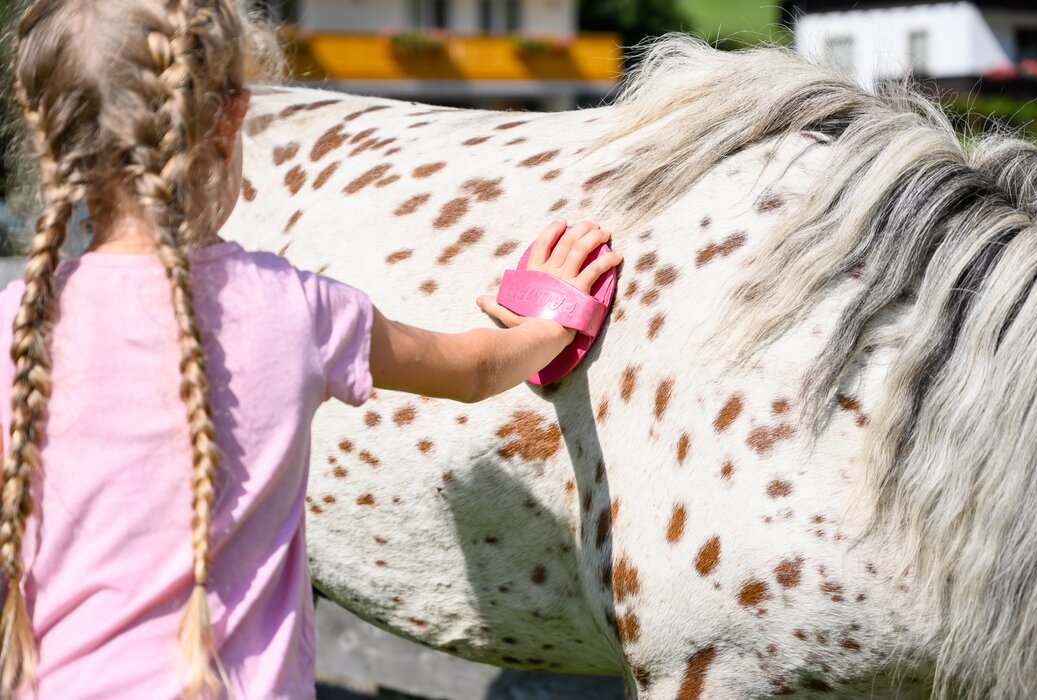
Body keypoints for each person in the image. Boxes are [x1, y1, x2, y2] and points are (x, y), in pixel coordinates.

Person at [0, 0, 622, 698]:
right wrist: (551, 321)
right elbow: (474, 369)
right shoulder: (294, 309)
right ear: (233, 121)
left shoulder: (14, 327)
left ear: (45, 139)